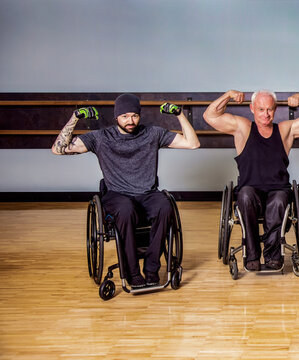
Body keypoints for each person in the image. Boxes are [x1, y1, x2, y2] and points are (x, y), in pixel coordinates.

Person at [51, 94, 200, 287]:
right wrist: (75, 117)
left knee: (165, 206)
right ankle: (132, 272)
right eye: (125, 116)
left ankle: (151, 268)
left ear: (139, 115)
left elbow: (193, 143)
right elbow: (58, 149)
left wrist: (180, 114)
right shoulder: (101, 138)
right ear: (116, 117)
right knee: (126, 209)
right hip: (116, 195)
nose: (130, 121)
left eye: (134, 116)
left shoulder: (152, 134)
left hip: (146, 194)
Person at [203, 90, 299, 271]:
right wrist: (227, 95)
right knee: (244, 195)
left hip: (278, 191)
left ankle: (273, 256)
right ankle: (251, 255)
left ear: (275, 110)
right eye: (261, 109)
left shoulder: (284, 130)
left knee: (278, 201)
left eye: (269, 109)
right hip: (250, 191)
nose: (265, 114)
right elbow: (209, 115)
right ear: (252, 108)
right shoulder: (242, 128)